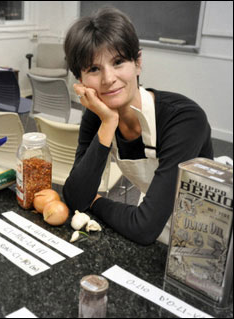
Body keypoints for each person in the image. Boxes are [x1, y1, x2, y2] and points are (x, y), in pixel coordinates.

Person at [62, 7, 213, 245]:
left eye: (118, 62)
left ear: (138, 63)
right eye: (93, 69)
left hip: (207, 232)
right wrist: (108, 122)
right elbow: (75, 196)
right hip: (151, 222)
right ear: (81, 81)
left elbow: (143, 228)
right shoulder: (98, 116)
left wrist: (95, 202)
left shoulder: (185, 119)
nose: (108, 78)